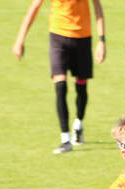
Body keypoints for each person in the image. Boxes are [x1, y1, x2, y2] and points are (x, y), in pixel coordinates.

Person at [14, 0, 107, 152]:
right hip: (58, 36)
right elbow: (35, 7)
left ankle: (78, 123)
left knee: (81, 86)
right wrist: (20, 39)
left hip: (83, 37)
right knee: (60, 85)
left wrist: (102, 40)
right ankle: (65, 139)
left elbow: (97, 7)